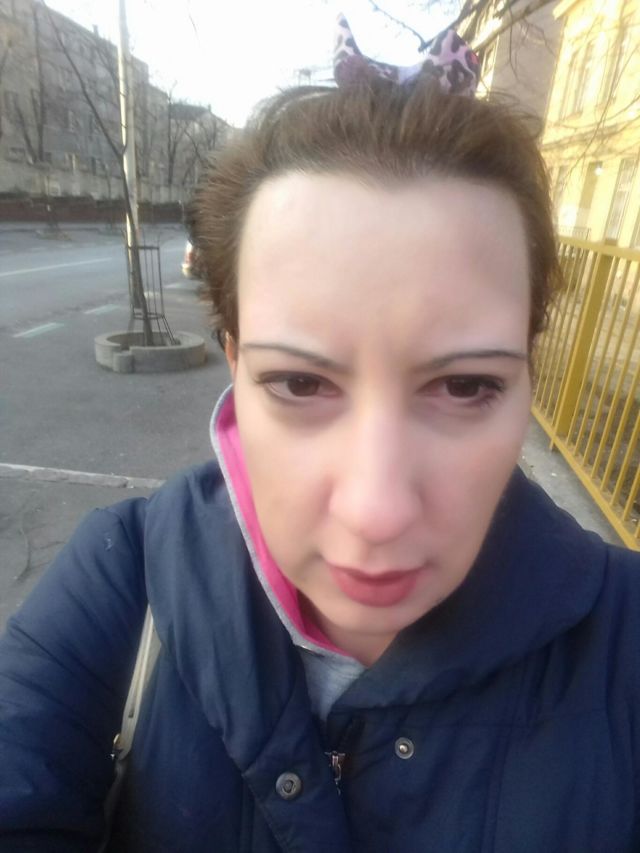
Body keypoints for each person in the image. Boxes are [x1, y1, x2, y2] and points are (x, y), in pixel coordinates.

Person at [2, 19, 640, 853]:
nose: (376, 510)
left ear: (527, 381)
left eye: (465, 385)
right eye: (301, 383)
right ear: (234, 362)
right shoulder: (124, 579)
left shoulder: (625, 640)